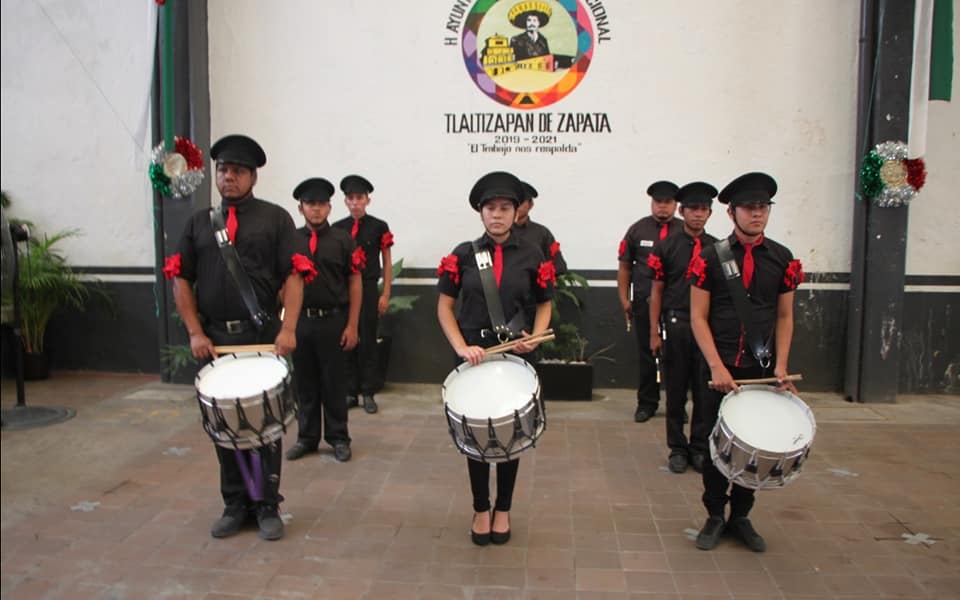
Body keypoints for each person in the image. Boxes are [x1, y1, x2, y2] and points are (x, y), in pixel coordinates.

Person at [164, 134, 312, 541]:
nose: (228, 177)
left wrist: (287, 328)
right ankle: (234, 504)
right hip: (215, 341)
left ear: (253, 177)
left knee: (263, 423)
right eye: (223, 170)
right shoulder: (199, 223)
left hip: (262, 338)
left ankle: (266, 505)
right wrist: (195, 332)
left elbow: (294, 274)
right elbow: (180, 278)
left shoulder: (275, 219)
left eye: (237, 171)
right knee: (225, 425)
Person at [436, 171, 554, 546]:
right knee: (475, 436)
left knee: (510, 434)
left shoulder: (533, 253)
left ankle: (503, 509)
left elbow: (545, 303)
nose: (497, 215)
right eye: (490, 208)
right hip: (474, 357)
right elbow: (444, 307)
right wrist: (459, 346)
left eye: (505, 208)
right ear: (480, 212)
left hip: (515, 358)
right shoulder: (464, 254)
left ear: (517, 211)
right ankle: (479, 508)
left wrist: (534, 339)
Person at [689, 172, 804, 552]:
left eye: (763, 208)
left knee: (754, 445)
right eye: (749, 208)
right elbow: (697, 317)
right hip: (719, 369)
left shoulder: (781, 258)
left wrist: (781, 366)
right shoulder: (710, 258)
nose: (757, 215)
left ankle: (741, 515)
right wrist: (717, 367)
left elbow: (785, 317)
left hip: (760, 370)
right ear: (731, 212)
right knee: (713, 443)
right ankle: (713, 515)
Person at [284, 178, 362, 464]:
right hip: (300, 321)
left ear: (329, 207)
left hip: (333, 321)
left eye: (320, 204)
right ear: (300, 208)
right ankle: (306, 438)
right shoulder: (290, 239)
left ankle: (338, 437)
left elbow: (355, 282)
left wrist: (352, 325)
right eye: (309, 204)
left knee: (334, 383)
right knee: (304, 383)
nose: (315, 210)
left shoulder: (343, 240)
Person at [647, 182, 718, 475]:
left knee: (704, 392)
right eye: (693, 209)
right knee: (675, 390)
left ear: (710, 213)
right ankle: (677, 448)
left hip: (709, 330)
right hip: (676, 324)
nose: (698, 215)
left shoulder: (718, 248)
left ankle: (699, 447)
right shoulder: (667, 246)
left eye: (704, 210)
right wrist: (654, 331)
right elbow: (657, 291)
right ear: (682, 211)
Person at [617, 180, 683, 423]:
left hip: (677, 305)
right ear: (652, 203)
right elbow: (625, 267)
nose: (662, 207)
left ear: (676, 205)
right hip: (644, 302)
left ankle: (677, 405)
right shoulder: (638, 230)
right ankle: (647, 403)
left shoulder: (684, 231)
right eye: (658, 202)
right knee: (647, 354)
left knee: (677, 356)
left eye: (668, 203)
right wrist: (625, 298)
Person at [332, 175, 394, 414]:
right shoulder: (338, 228)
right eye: (351, 198)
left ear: (368, 200)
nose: (355, 202)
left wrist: (385, 293)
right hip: (343, 290)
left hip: (368, 288)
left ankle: (368, 391)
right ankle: (350, 391)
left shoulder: (379, 226)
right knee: (347, 339)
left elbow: (386, 261)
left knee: (368, 339)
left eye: (360, 198)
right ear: (345, 202)